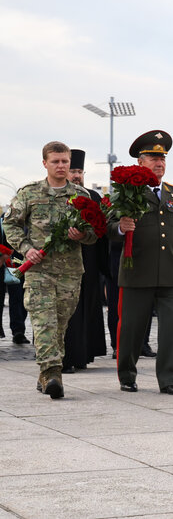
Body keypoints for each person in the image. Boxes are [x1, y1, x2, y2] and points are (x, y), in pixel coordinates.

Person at [3, 141, 97, 398]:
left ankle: (45, 373)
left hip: (70, 272)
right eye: (55, 161)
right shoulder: (29, 193)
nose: (61, 166)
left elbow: (93, 235)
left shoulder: (82, 196)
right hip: (39, 271)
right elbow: (10, 224)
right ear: (45, 163)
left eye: (65, 161)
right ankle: (53, 373)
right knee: (44, 324)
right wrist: (24, 248)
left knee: (59, 326)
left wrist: (81, 235)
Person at [110, 130, 173, 395]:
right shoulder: (124, 192)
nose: (159, 163)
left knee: (172, 330)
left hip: (172, 272)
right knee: (132, 330)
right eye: (152, 158)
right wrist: (121, 228)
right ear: (140, 162)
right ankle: (127, 373)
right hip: (137, 271)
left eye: (162, 159)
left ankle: (170, 379)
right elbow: (107, 228)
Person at [62, 149, 109, 372]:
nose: (77, 175)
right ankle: (64, 356)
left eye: (80, 171)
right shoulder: (56, 196)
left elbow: (102, 232)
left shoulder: (94, 196)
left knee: (86, 307)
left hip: (88, 262)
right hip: (61, 264)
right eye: (73, 170)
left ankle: (83, 353)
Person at [0, 216, 29, 344]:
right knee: (16, 295)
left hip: (33, 263)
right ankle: (18, 331)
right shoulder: (8, 218)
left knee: (26, 297)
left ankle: (19, 327)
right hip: (14, 264)